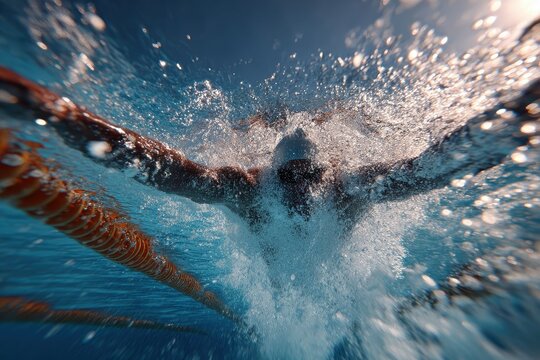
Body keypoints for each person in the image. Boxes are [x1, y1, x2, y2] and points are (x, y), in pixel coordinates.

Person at [0, 66, 538, 230]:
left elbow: (428, 170)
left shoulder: (350, 188)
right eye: (291, 178)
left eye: (310, 179)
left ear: (328, 172)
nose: (303, 193)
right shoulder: (247, 188)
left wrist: (514, 124)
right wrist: (60, 113)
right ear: (269, 172)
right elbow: (165, 169)